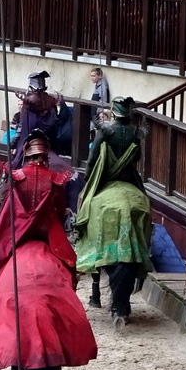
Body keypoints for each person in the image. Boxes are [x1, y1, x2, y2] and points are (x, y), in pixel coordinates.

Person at [0, 130, 97, 370]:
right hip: (46, 244)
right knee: (68, 270)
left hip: (19, 247)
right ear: (46, 155)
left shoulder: (15, 177)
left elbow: (7, 219)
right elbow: (55, 216)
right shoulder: (58, 180)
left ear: (26, 153)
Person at [73, 97, 153, 327]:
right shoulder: (136, 132)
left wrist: (89, 182)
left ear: (113, 112)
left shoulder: (106, 131)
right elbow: (135, 158)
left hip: (105, 179)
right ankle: (146, 240)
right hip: (129, 180)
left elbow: (93, 159)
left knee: (83, 202)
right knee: (145, 204)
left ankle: (80, 236)